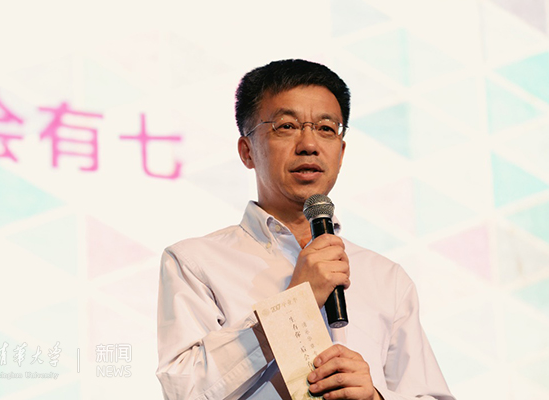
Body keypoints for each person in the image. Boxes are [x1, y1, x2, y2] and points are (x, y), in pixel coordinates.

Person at [156, 59, 454, 400]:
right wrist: (294, 305)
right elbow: (183, 391)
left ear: (341, 152)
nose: (309, 144)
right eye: (286, 126)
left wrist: (376, 397)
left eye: (326, 128)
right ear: (247, 151)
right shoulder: (195, 263)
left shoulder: (386, 278)